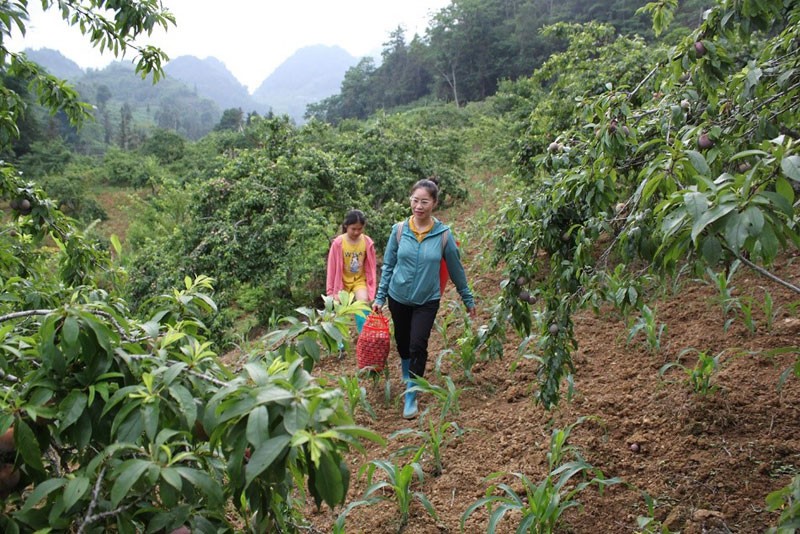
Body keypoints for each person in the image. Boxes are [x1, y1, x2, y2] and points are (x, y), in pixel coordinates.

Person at [372, 179, 476, 419]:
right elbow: (388, 266)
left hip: (426, 300)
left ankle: (411, 392)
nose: (418, 206)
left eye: (424, 202)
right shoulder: (399, 230)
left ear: (434, 203)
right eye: (415, 200)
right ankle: (407, 373)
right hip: (398, 296)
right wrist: (380, 297)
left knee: (418, 345)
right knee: (403, 343)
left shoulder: (443, 235)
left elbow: (456, 270)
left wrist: (467, 298)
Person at [326, 210, 377, 341]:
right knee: (340, 309)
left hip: (359, 280)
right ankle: (340, 342)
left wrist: (372, 284)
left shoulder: (367, 242)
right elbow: (332, 268)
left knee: (362, 303)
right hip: (341, 282)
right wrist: (330, 292)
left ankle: (364, 337)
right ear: (346, 226)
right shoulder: (338, 243)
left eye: (359, 229)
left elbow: (371, 266)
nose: (356, 232)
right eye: (353, 229)